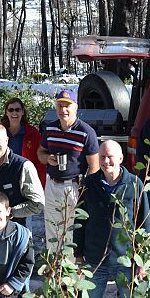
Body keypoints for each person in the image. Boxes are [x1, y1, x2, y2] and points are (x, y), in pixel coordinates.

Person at [74, 141, 150, 298]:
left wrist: (143, 261)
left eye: (110, 156)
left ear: (121, 158)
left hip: (126, 260)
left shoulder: (134, 184)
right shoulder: (89, 184)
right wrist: (78, 254)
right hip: (95, 259)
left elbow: (145, 224)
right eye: (102, 157)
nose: (106, 161)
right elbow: (80, 220)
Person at [36, 90, 100, 250]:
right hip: (51, 185)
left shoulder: (86, 132)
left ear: (76, 108)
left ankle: (70, 271)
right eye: (60, 105)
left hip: (73, 187)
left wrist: (84, 189)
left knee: (72, 232)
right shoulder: (50, 129)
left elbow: (94, 166)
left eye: (67, 106)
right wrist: (47, 159)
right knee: (51, 229)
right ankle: (54, 268)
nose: (63, 109)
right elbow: (40, 153)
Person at [0, 124, 44, 225]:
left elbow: (38, 204)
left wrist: (10, 212)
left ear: (6, 140)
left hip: (19, 226)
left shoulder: (23, 166)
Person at [0, 98, 46, 186]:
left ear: (22, 112)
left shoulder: (32, 133)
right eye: (11, 110)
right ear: (6, 113)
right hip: (3, 178)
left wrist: (39, 184)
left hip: (25, 179)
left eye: (17, 110)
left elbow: (40, 162)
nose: (14, 113)